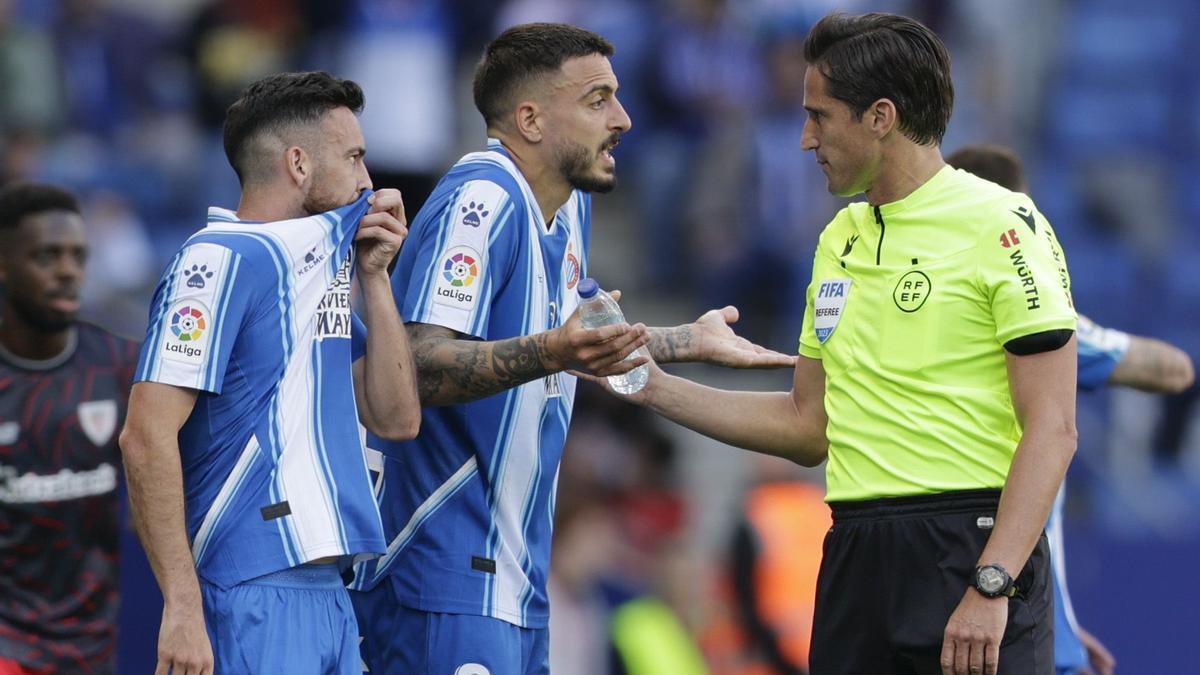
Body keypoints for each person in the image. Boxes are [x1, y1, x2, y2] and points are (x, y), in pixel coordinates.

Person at [599, 12, 1081, 675]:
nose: (804, 138)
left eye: (820, 116)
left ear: (880, 116)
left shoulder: (1004, 223)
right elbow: (807, 425)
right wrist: (650, 385)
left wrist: (992, 580)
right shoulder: (838, 240)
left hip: (968, 544)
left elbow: (1053, 428)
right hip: (855, 553)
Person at [347, 22, 796, 675]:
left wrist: (683, 340)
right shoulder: (482, 198)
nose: (624, 118)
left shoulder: (569, 204)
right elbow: (416, 366)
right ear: (530, 119)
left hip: (515, 575)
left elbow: (570, 344)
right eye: (597, 100)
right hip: (441, 573)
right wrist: (554, 352)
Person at [118, 71, 420, 675]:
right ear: (299, 164)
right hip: (250, 585)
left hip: (331, 588)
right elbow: (144, 436)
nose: (368, 181)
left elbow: (396, 416)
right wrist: (181, 606)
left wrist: (377, 279)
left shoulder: (319, 275)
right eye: (355, 157)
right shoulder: (218, 261)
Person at [947, 142, 1196, 675]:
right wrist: (1068, 327)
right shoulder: (1034, 322)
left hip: (943, 616)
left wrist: (1061, 620)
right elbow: (1174, 369)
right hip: (1019, 633)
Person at [0, 183, 137, 675]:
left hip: (94, 641)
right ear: (3, 264)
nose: (67, 271)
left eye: (78, 256)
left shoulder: (120, 367)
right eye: (47, 256)